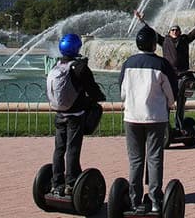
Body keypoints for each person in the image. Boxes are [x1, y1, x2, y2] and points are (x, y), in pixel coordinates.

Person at [119, 25, 178, 215]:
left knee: (135, 160)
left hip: (132, 117)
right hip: (155, 117)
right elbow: (171, 93)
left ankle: (134, 200)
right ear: (154, 45)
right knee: (154, 158)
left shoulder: (128, 63)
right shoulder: (162, 65)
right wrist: (169, 103)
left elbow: (122, 92)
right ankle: (154, 199)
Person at [135, 7, 195, 131]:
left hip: (183, 76)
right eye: (173, 29)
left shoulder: (184, 39)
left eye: (177, 30)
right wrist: (142, 21)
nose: (175, 31)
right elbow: (151, 32)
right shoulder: (164, 40)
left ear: (180, 31)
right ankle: (165, 126)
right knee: (166, 102)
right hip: (169, 76)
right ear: (169, 31)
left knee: (181, 103)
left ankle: (180, 125)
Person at [46, 33, 106, 197]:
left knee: (59, 149)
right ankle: (71, 183)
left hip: (59, 114)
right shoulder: (79, 67)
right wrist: (99, 97)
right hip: (75, 115)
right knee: (73, 148)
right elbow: (92, 88)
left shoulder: (56, 65)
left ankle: (56, 182)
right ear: (77, 47)